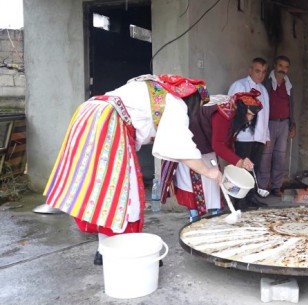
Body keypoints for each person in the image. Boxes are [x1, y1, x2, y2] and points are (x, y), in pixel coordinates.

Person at [43, 74, 223, 265]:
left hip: (90, 113)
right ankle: (128, 252)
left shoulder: (158, 89)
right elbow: (180, 145)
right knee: (126, 195)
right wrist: (209, 172)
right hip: (109, 122)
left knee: (105, 193)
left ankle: (104, 251)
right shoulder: (175, 102)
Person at [165, 90, 262, 221]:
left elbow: (225, 141)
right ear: (240, 110)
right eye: (249, 114)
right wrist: (239, 161)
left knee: (214, 182)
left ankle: (215, 214)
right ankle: (194, 217)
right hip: (192, 145)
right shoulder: (223, 114)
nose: (250, 118)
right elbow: (218, 145)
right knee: (194, 182)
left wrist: (240, 161)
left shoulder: (234, 115)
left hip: (207, 147)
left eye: (253, 116)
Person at [227, 57, 270, 207]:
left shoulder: (263, 90)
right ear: (250, 70)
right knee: (241, 169)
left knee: (253, 169)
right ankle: (239, 201)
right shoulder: (240, 86)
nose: (261, 75)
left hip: (258, 137)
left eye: (264, 72)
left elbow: (265, 116)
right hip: (243, 137)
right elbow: (231, 110)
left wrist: (266, 135)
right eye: (257, 71)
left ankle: (250, 197)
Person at [260, 55, 296, 197]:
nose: (283, 70)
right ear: (274, 66)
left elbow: (291, 105)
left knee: (280, 157)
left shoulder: (288, 85)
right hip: (269, 123)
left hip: (284, 124)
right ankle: (262, 187)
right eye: (280, 66)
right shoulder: (266, 83)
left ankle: (276, 187)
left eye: (286, 67)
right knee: (265, 156)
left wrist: (292, 125)